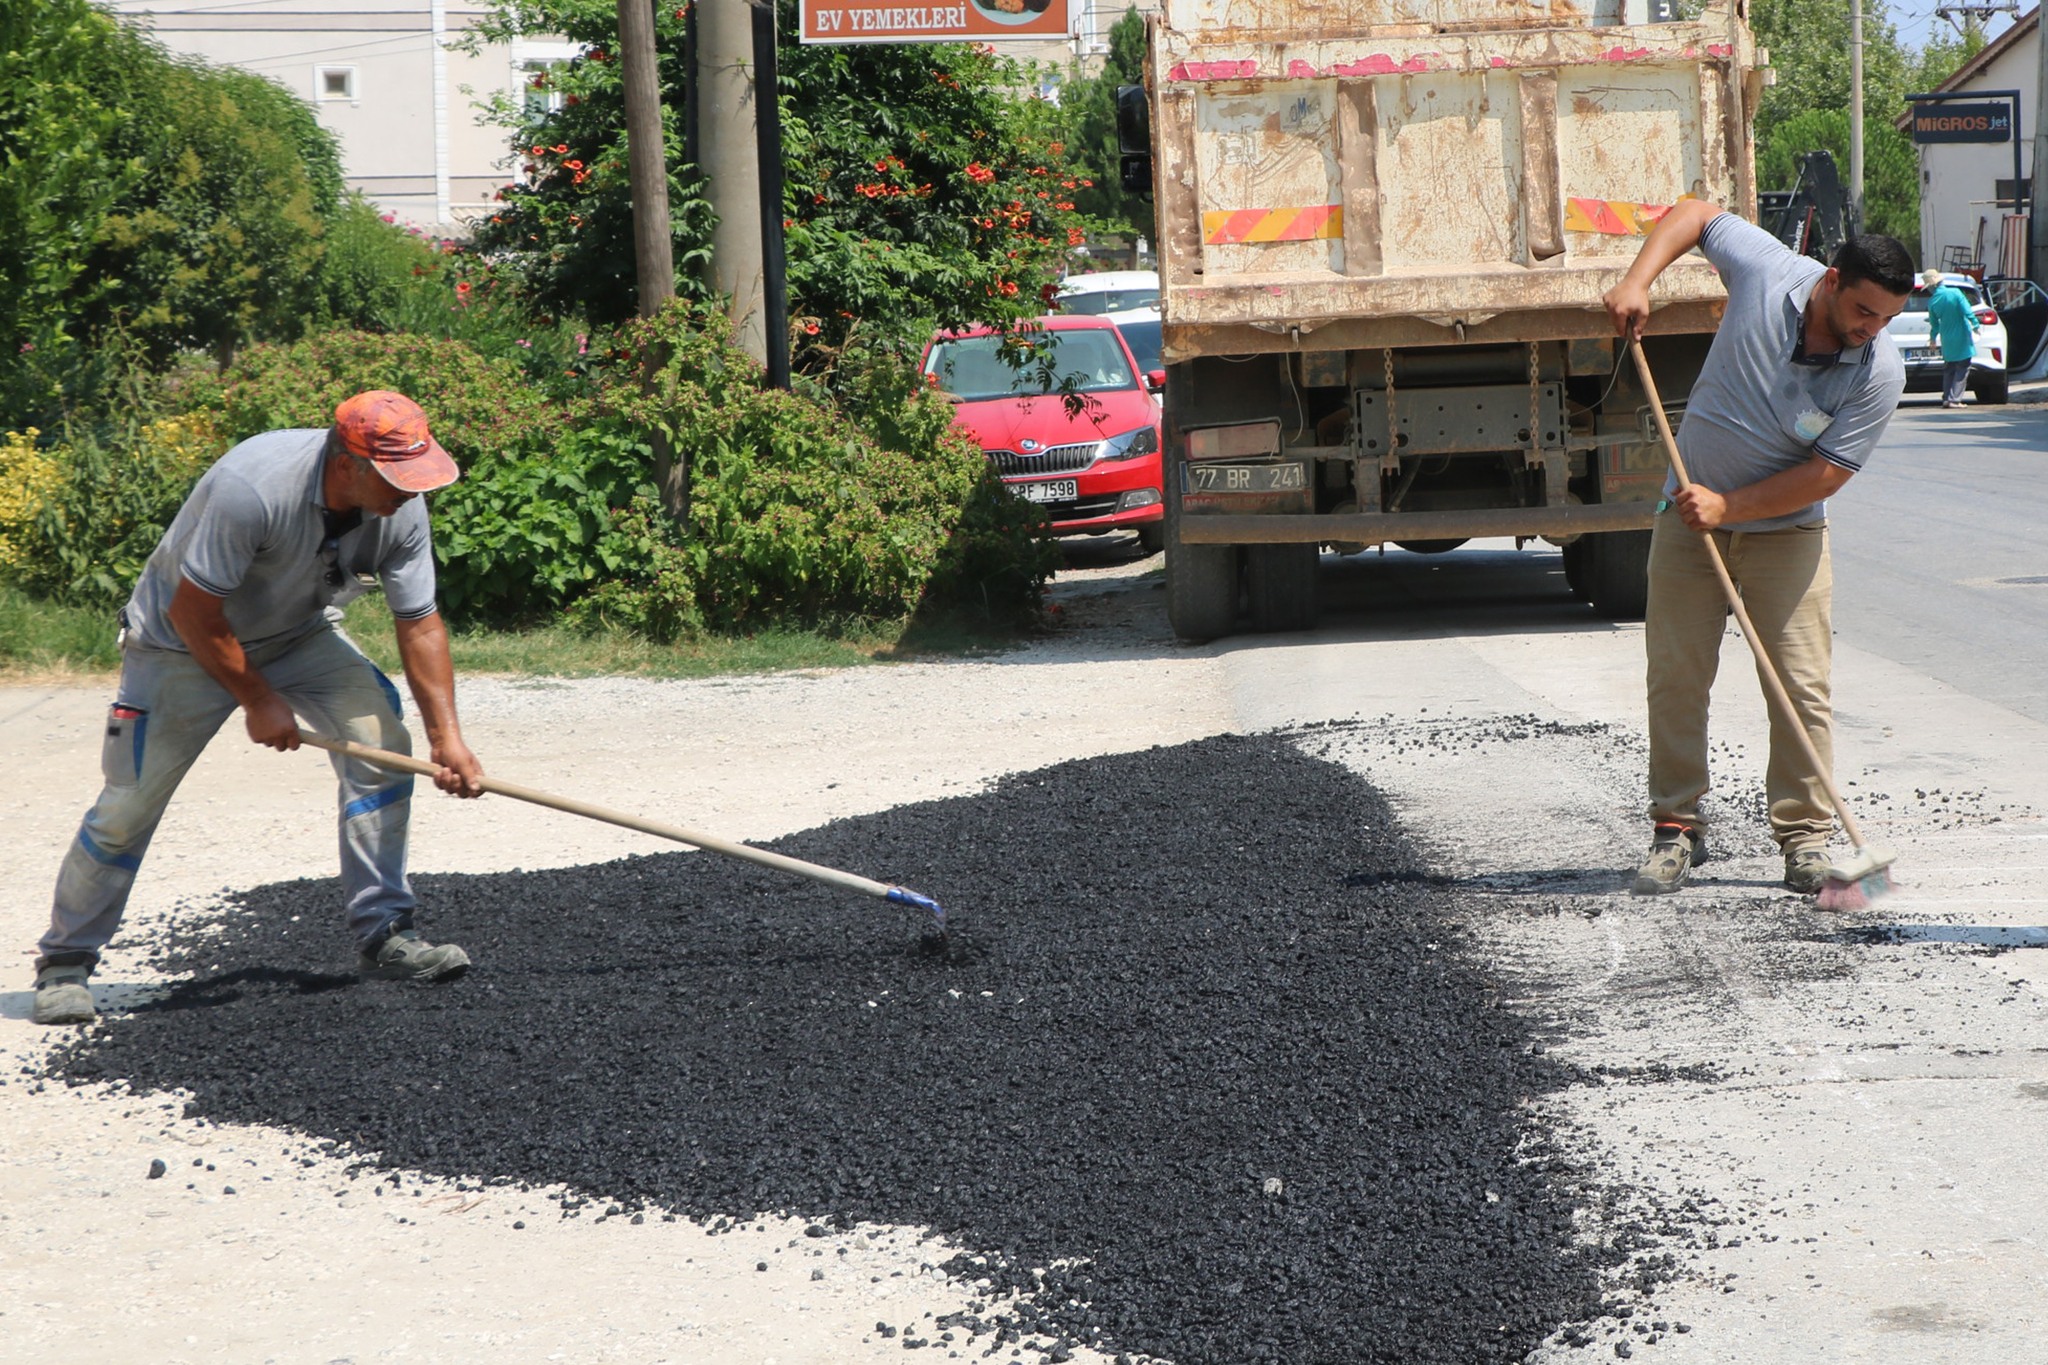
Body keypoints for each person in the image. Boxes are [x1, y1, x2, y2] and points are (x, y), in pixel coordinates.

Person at [30, 391, 487, 1026]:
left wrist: (449, 738)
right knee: (128, 804)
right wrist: (258, 699)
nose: (411, 491)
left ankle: (386, 934)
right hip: (177, 646)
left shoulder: (401, 508)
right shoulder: (254, 486)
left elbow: (419, 623)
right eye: (396, 478)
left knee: (383, 745)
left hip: (299, 636)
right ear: (348, 464)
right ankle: (66, 960)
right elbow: (194, 611)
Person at [1602, 204, 1912, 897]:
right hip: (1685, 517)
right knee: (1677, 674)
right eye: (1864, 310)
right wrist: (1636, 280)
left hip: (1788, 533)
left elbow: (1827, 473)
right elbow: (1694, 216)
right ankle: (1676, 828)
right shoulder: (1769, 269)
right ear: (1831, 280)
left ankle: (1805, 838)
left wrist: (1729, 507)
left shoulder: (1877, 371)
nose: (1871, 329)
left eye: (1886, 319)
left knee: (1800, 687)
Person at [1921, 269, 1977, 407]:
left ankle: (1946, 398)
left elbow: (1934, 325)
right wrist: (1975, 324)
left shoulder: (1932, 301)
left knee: (1949, 368)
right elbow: (1967, 310)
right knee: (1962, 368)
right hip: (1962, 336)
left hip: (1946, 337)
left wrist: (1933, 338)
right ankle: (1955, 399)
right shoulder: (1955, 293)